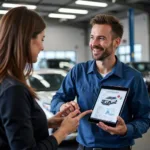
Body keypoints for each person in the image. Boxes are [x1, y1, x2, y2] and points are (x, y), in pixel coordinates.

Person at [51, 14, 150, 150]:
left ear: (116, 42)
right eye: (92, 37)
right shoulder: (78, 72)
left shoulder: (133, 78)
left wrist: (127, 129)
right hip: (84, 147)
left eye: (101, 38)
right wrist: (62, 107)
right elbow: (57, 99)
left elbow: (145, 118)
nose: (94, 43)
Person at [0, 7, 92, 150]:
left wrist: (48, 123)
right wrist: (63, 131)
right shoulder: (14, 90)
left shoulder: (6, 81)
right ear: (26, 38)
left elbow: (13, 129)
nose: (43, 47)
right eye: (41, 39)